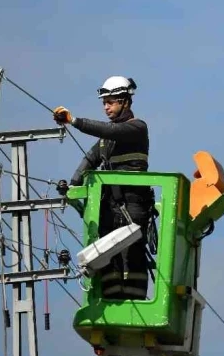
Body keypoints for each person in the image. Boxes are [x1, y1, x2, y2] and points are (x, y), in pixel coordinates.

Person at [53, 76, 151, 301]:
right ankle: (112, 301)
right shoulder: (106, 141)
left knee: (133, 254)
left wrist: (74, 121)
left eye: (111, 102)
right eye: (104, 102)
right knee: (107, 254)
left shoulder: (137, 128)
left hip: (134, 204)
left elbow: (109, 131)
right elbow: (90, 158)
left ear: (125, 101)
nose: (106, 106)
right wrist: (72, 186)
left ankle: (135, 303)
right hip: (110, 206)